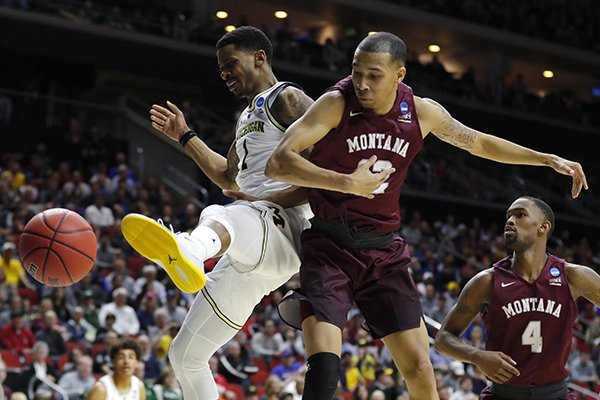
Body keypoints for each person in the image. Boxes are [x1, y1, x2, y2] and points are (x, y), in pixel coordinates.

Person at [265, 31, 587, 400]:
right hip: (330, 246)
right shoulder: (335, 103)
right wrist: (346, 183)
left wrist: (545, 158)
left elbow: (479, 142)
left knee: (420, 369)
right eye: (356, 73)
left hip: (383, 253)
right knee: (324, 369)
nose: (362, 84)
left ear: (399, 75)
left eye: (374, 75)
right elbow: (279, 163)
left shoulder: (421, 112)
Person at [120, 26, 313, 399]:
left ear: (259, 58)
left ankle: (191, 248)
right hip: (254, 247)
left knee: (222, 212)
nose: (224, 72)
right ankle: (194, 248)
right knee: (185, 356)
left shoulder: (287, 97)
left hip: (287, 229)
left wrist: (269, 199)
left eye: (230, 64)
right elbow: (227, 173)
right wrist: (186, 136)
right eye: (220, 67)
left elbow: (330, 164)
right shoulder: (245, 118)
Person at [434, 196, 600, 399]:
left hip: (555, 394)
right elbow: (443, 338)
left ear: (543, 227)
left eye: (520, 214)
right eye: (508, 216)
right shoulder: (486, 281)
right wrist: (476, 356)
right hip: (503, 394)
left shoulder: (573, 276)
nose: (510, 220)